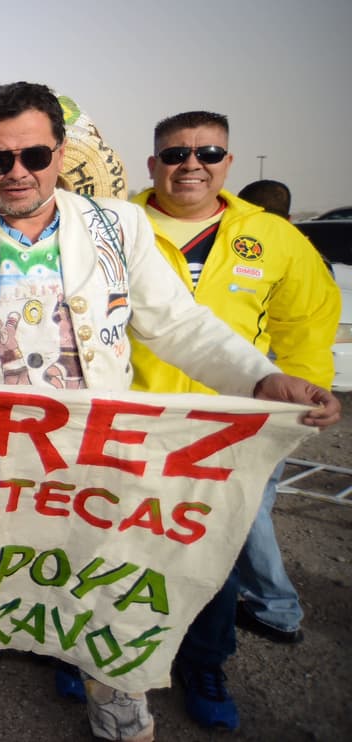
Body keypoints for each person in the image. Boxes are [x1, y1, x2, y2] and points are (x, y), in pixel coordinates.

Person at [0, 82, 340, 742]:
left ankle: (121, 723)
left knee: (106, 598)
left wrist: (262, 380)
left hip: (90, 467)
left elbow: (179, 326)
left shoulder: (118, 228)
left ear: (59, 154)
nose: (17, 172)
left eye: (34, 155)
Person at [129, 113, 339, 730]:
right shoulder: (116, 226)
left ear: (228, 160)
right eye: (175, 153)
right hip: (131, 422)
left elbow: (306, 322)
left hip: (229, 428)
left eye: (208, 151)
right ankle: (89, 654)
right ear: (153, 163)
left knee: (211, 561)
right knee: (115, 547)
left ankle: (204, 663)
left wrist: (296, 397)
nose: (191, 163)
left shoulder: (272, 236)